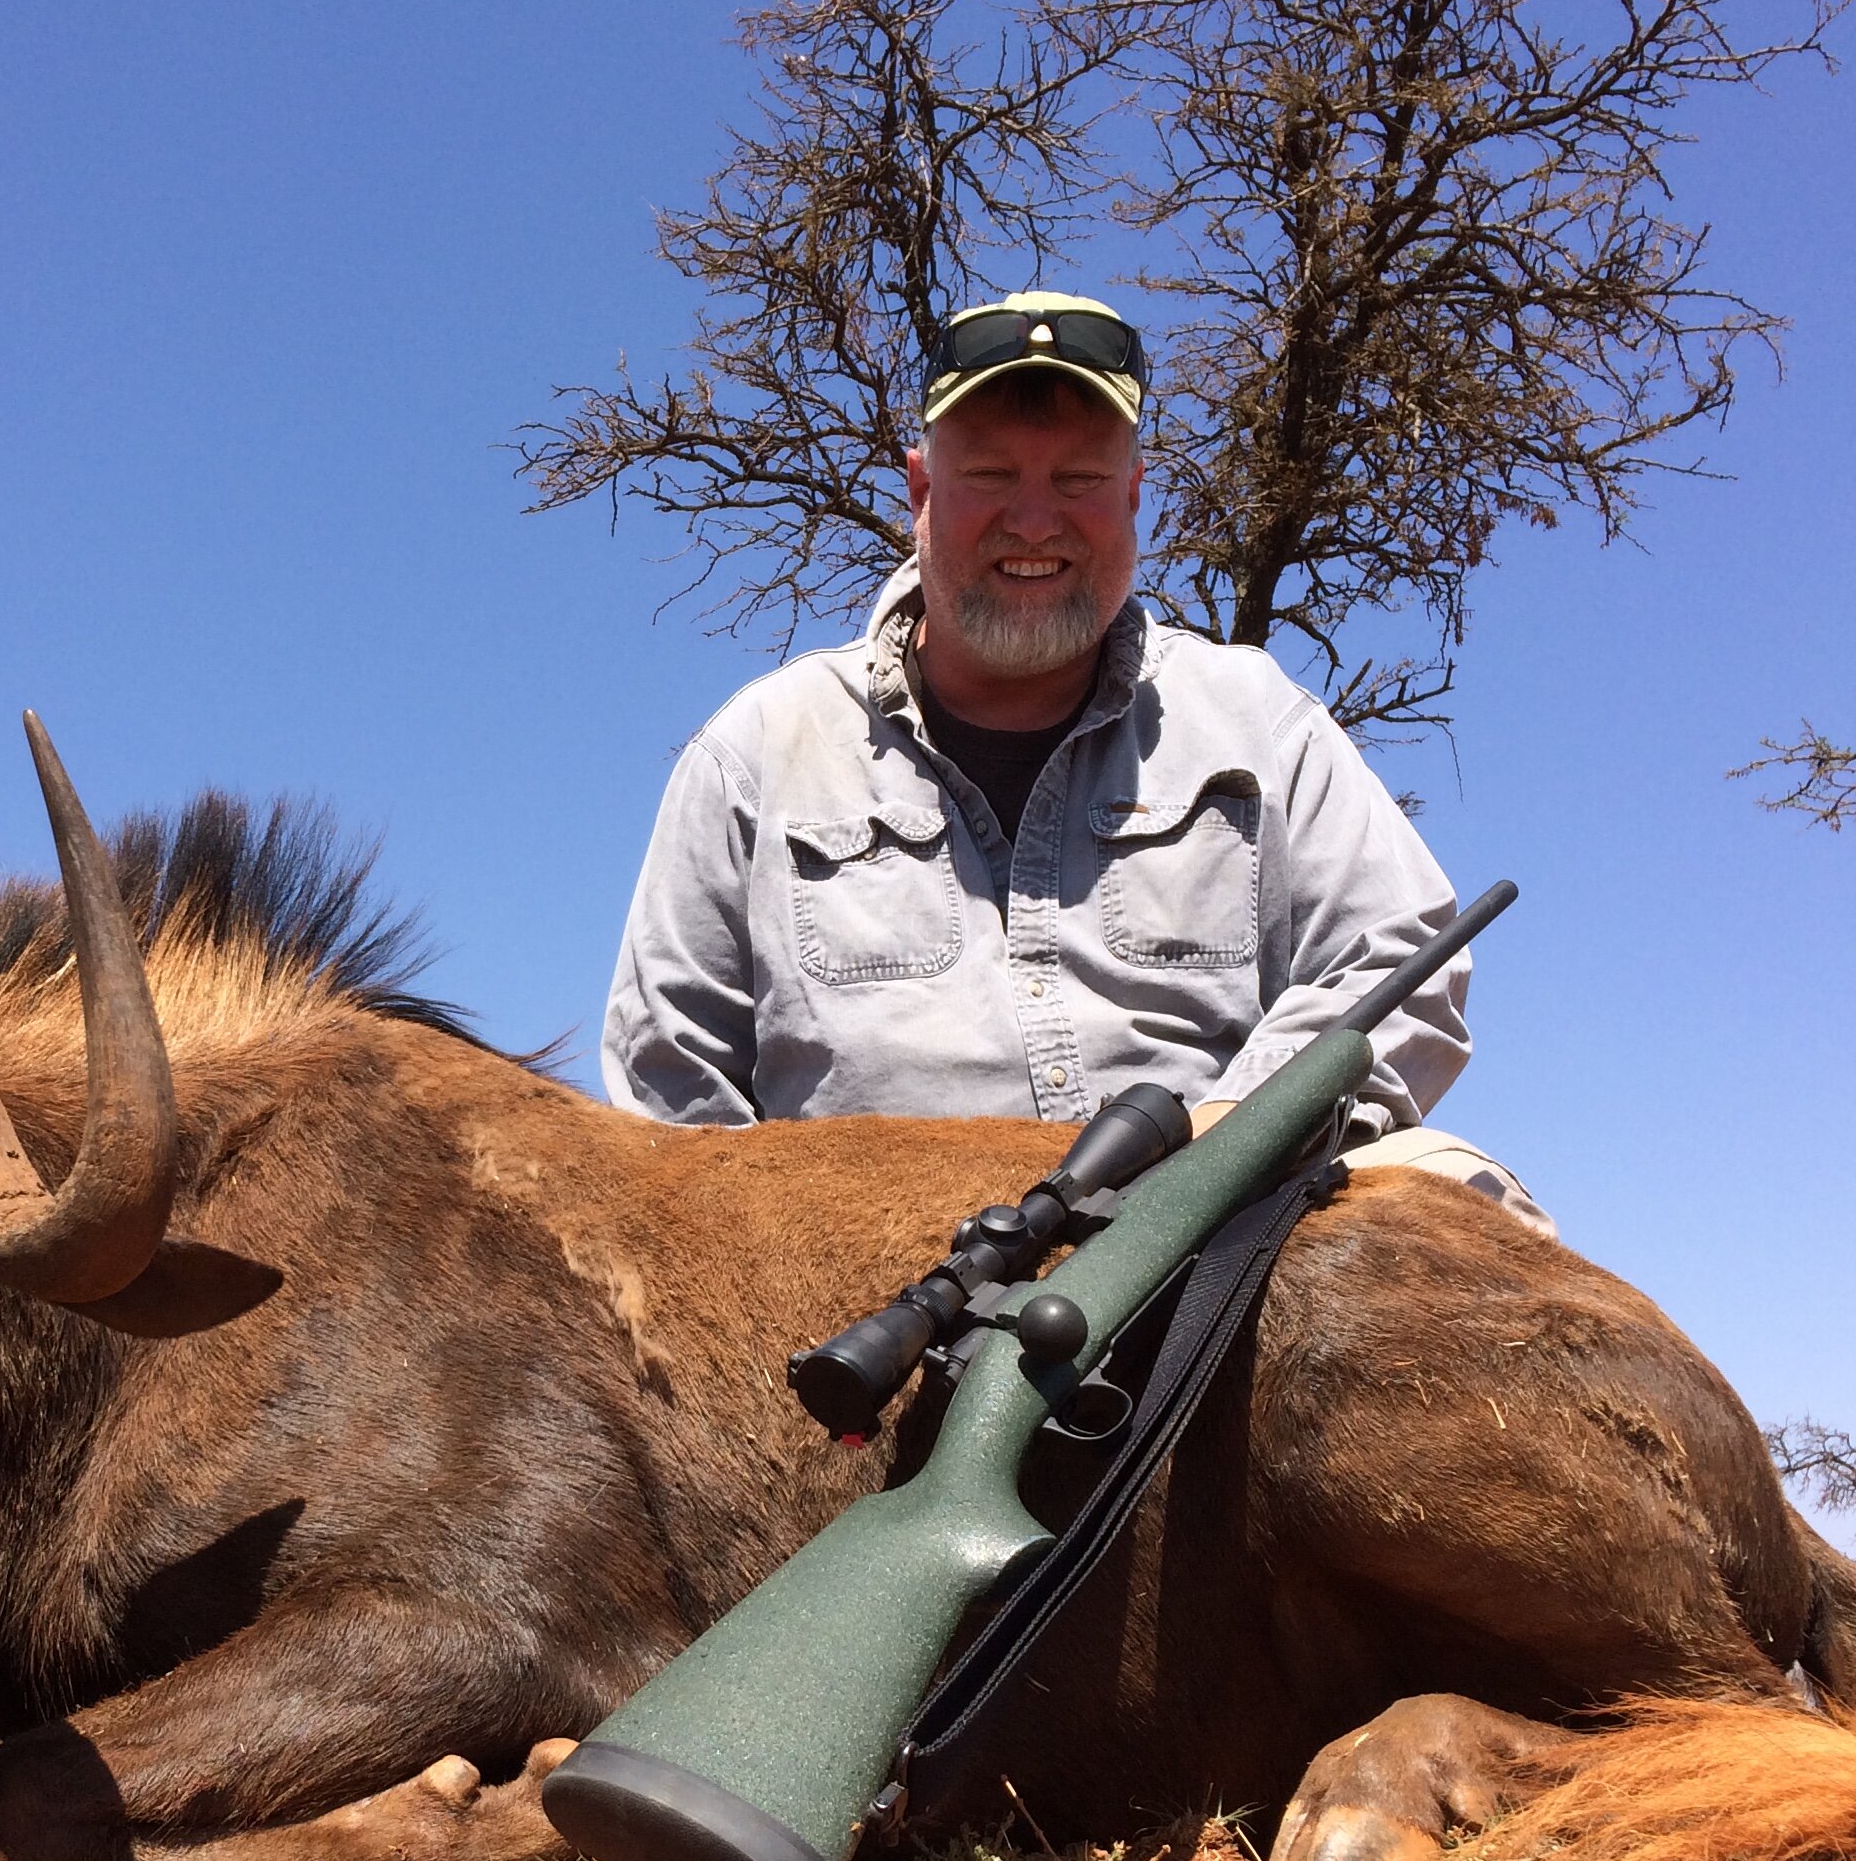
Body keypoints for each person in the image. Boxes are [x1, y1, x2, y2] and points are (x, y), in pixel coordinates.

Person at [601, 287, 1545, 1232]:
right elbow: (669, 1088)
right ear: (921, 490)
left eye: (1081, 482)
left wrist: (1220, 1148)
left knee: (1478, 1207)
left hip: (1223, 1239)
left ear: (1133, 494)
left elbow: (1402, 963)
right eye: (992, 474)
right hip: (864, 1288)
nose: (1036, 522)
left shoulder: (1256, 717)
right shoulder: (758, 753)